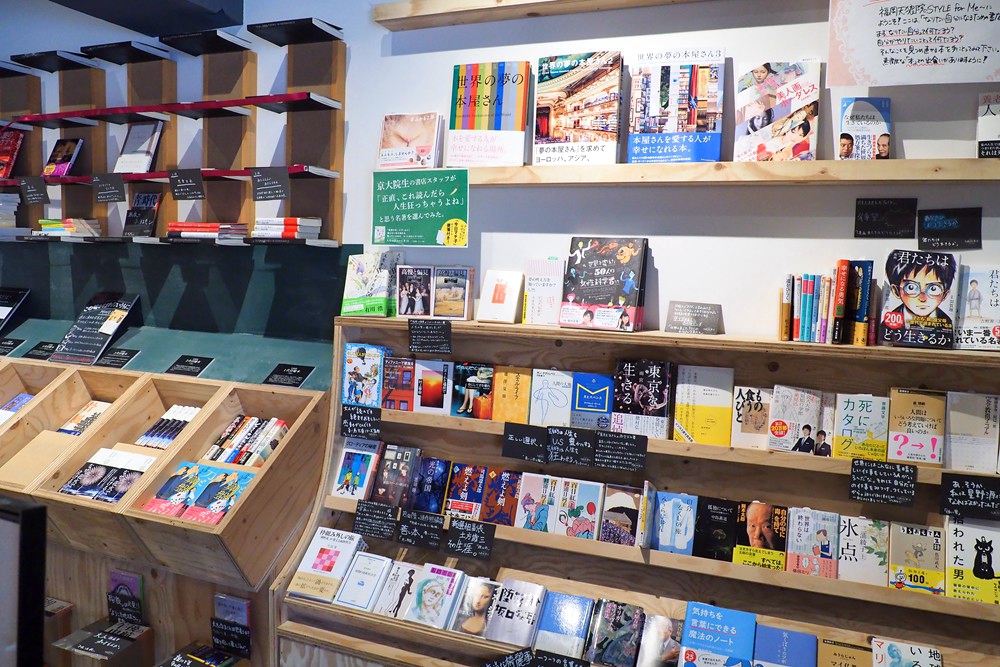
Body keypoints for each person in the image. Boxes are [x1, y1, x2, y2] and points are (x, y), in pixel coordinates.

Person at [885, 251, 957, 330]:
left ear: (945, 294)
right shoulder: (887, 324)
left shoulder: (948, 324)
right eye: (911, 287)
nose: (922, 298)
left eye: (933, 289)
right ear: (896, 291)